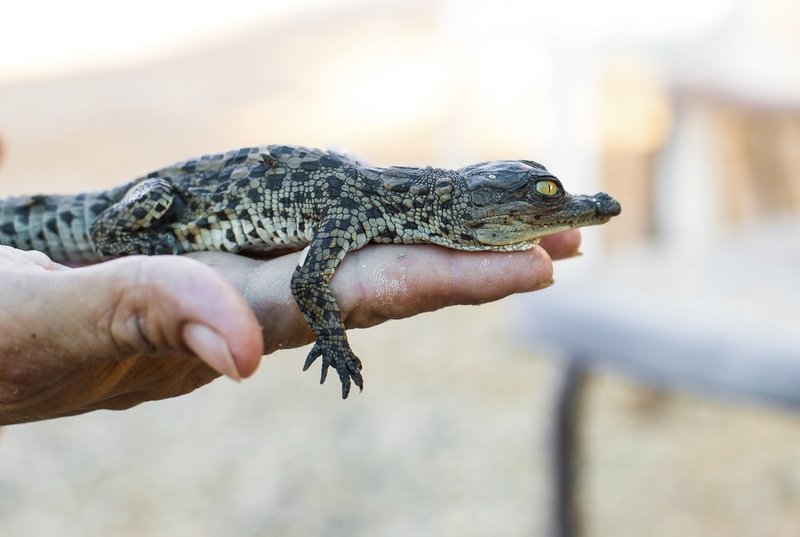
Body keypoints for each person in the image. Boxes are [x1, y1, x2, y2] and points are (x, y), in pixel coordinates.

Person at [0, 231, 580, 425]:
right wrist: (331, 336)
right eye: (539, 197)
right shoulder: (360, 204)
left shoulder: (373, 205)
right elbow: (307, 282)